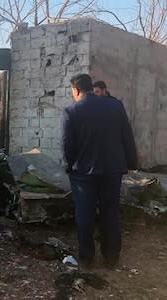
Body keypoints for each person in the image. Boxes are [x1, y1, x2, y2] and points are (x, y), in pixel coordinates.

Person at [62, 74, 138, 268]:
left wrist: (68, 165)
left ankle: (87, 258)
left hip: (83, 173)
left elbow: (68, 145)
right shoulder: (115, 106)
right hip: (113, 169)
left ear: (76, 90)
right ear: (91, 87)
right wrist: (131, 162)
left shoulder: (72, 111)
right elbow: (127, 136)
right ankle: (112, 258)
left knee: (84, 214)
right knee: (111, 213)